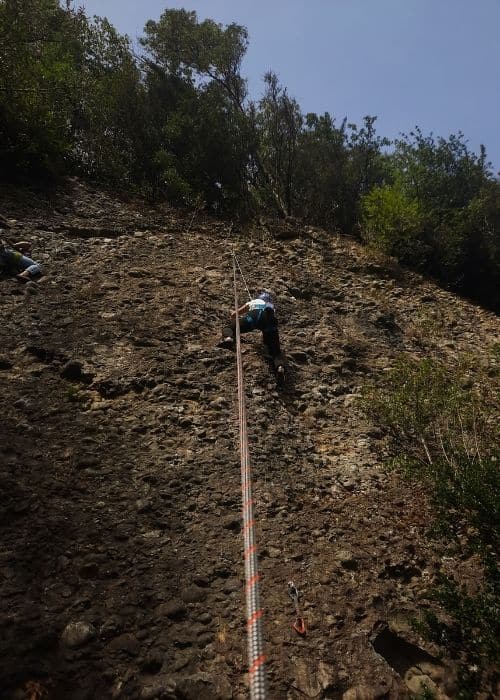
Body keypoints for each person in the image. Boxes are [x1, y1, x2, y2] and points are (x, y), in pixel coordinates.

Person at [220, 289, 285, 378]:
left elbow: (235, 314)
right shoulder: (271, 308)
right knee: (275, 351)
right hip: (269, 324)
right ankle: (279, 367)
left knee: (229, 328)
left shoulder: (255, 301)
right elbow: (268, 320)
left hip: (254, 318)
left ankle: (228, 338)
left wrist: (232, 313)